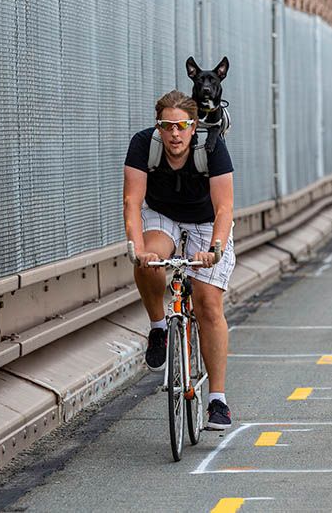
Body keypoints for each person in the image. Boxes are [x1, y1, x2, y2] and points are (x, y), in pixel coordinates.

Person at [123, 90, 236, 430]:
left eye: (182, 126)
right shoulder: (144, 145)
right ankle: (159, 327)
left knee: (207, 305)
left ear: (194, 126)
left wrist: (214, 248)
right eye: (167, 126)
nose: (174, 134)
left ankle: (218, 400)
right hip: (162, 215)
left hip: (205, 222)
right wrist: (136, 246)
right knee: (149, 260)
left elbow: (224, 208)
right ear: (158, 126)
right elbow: (132, 201)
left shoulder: (212, 149)